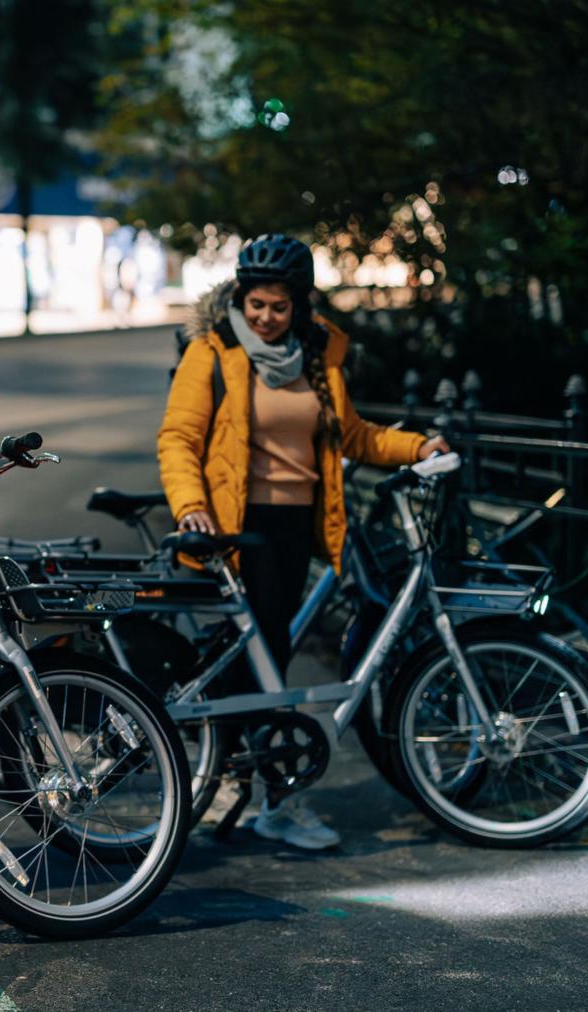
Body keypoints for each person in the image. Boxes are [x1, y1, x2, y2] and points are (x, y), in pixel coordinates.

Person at [156, 233, 448, 849]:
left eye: (278, 307)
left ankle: (244, 788)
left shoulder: (316, 359)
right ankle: (271, 799)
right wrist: (191, 507)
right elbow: (179, 439)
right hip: (237, 530)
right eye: (256, 303)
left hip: (295, 532)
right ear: (240, 297)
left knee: (269, 661)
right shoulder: (213, 354)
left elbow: (354, 436)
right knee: (263, 669)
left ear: (299, 307)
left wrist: (418, 446)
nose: (265, 316)